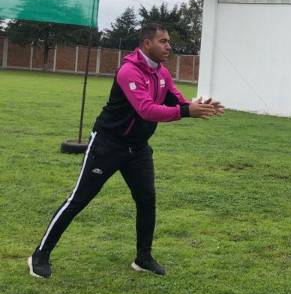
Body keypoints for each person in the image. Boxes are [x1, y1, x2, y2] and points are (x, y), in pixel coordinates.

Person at [28, 23, 224, 279]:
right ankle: (40, 255)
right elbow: (146, 109)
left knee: (146, 199)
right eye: (163, 41)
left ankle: (143, 258)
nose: (169, 46)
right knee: (79, 199)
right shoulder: (128, 71)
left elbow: (175, 100)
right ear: (146, 44)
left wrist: (197, 106)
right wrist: (187, 112)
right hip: (108, 144)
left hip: (138, 149)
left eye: (168, 42)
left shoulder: (162, 73)